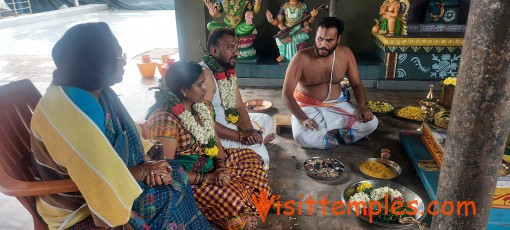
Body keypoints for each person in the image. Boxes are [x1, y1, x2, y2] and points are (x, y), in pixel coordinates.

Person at [30, 22, 210, 230]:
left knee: (174, 171)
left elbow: (125, 134)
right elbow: (100, 179)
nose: (124, 63)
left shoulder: (95, 92)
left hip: (110, 176)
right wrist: (144, 170)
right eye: (119, 57)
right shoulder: (73, 114)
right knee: (168, 193)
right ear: (97, 64)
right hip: (79, 206)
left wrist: (149, 162)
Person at [146, 60, 271, 230]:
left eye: (203, 83)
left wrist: (220, 166)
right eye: (200, 84)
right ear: (184, 90)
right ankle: (235, 215)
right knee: (232, 195)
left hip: (210, 161)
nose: (205, 88)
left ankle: (239, 211)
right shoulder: (165, 120)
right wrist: (209, 178)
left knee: (253, 159)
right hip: (188, 179)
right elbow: (168, 170)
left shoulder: (203, 106)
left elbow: (215, 139)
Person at [282, 17, 378, 149]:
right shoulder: (301, 57)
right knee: (302, 137)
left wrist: (362, 107)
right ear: (315, 36)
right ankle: (341, 133)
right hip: (307, 107)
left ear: (338, 40)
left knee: (372, 123)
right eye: (320, 38)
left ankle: (329, 136)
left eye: (329, 40)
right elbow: (286, 94)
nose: (323, 44)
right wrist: (303, 118)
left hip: (338, 104)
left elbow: (356, 84)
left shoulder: (345, 54)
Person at [200, 28, 275, 169]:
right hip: (217, 135)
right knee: (263, 158)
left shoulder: (227, 70)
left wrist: (249, 132)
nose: (236, 53)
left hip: (231, 125)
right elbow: (204, 123)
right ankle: (247, 150)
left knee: (266, 119)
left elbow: (239, 106)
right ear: (214, 50)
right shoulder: (206, 76)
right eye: (230, 48)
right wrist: (241, 136)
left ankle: (254, 143)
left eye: (236, 47)